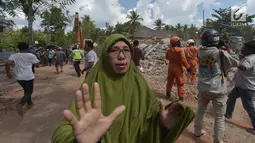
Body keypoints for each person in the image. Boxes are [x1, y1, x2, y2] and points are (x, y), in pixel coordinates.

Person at [52, 34, 195, 143]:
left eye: (126, 50)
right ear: (105, 56)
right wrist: (78, 140)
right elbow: (62, 132)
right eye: (114, 50)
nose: (121, 56)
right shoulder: (91, 86)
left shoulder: (139, 82)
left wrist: (162, 122)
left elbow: (152, 113)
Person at [193, 29, 239, 143]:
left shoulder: (199, 50)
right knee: (219, 118)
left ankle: (197, 131)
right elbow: (235, 63)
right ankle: (218, 140)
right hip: (217, 89)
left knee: (200, 110)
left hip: (203, 87)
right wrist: (229, 49)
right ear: (216, 40)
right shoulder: (220, 52)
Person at [225, 41, 255, 135]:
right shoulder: (248, 57)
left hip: (246, 87)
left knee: (249, 107)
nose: (242, 49)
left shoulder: (250, 59)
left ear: (251, 50)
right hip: (240, 85)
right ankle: (228, 114)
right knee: (231, 98)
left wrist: (235, 62)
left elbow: (243, 68)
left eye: (244, 47)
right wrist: (230, 51)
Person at [5, 42, 40, 116]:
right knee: (29, 92)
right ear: (27, 48)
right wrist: (36, 63)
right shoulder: (31, 55)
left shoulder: (14, 55)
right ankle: (20, 104)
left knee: (26, 91)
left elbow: (7, 63)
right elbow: (37, 66)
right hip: (28, 77)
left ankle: (30, 104)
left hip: (19, 77)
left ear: (19, 48)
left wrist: (8, 73)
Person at [165, 36, 191, 101]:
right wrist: (188, 67)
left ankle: (168, 94)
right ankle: (181, 98)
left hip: (170, 67)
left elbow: (167, 58)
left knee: (170, 81)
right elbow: (183, 60)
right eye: (179, 41)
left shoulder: (168, 50)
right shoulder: (180, 50)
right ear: (177, 42)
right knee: (180, 82)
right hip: (178, 67)